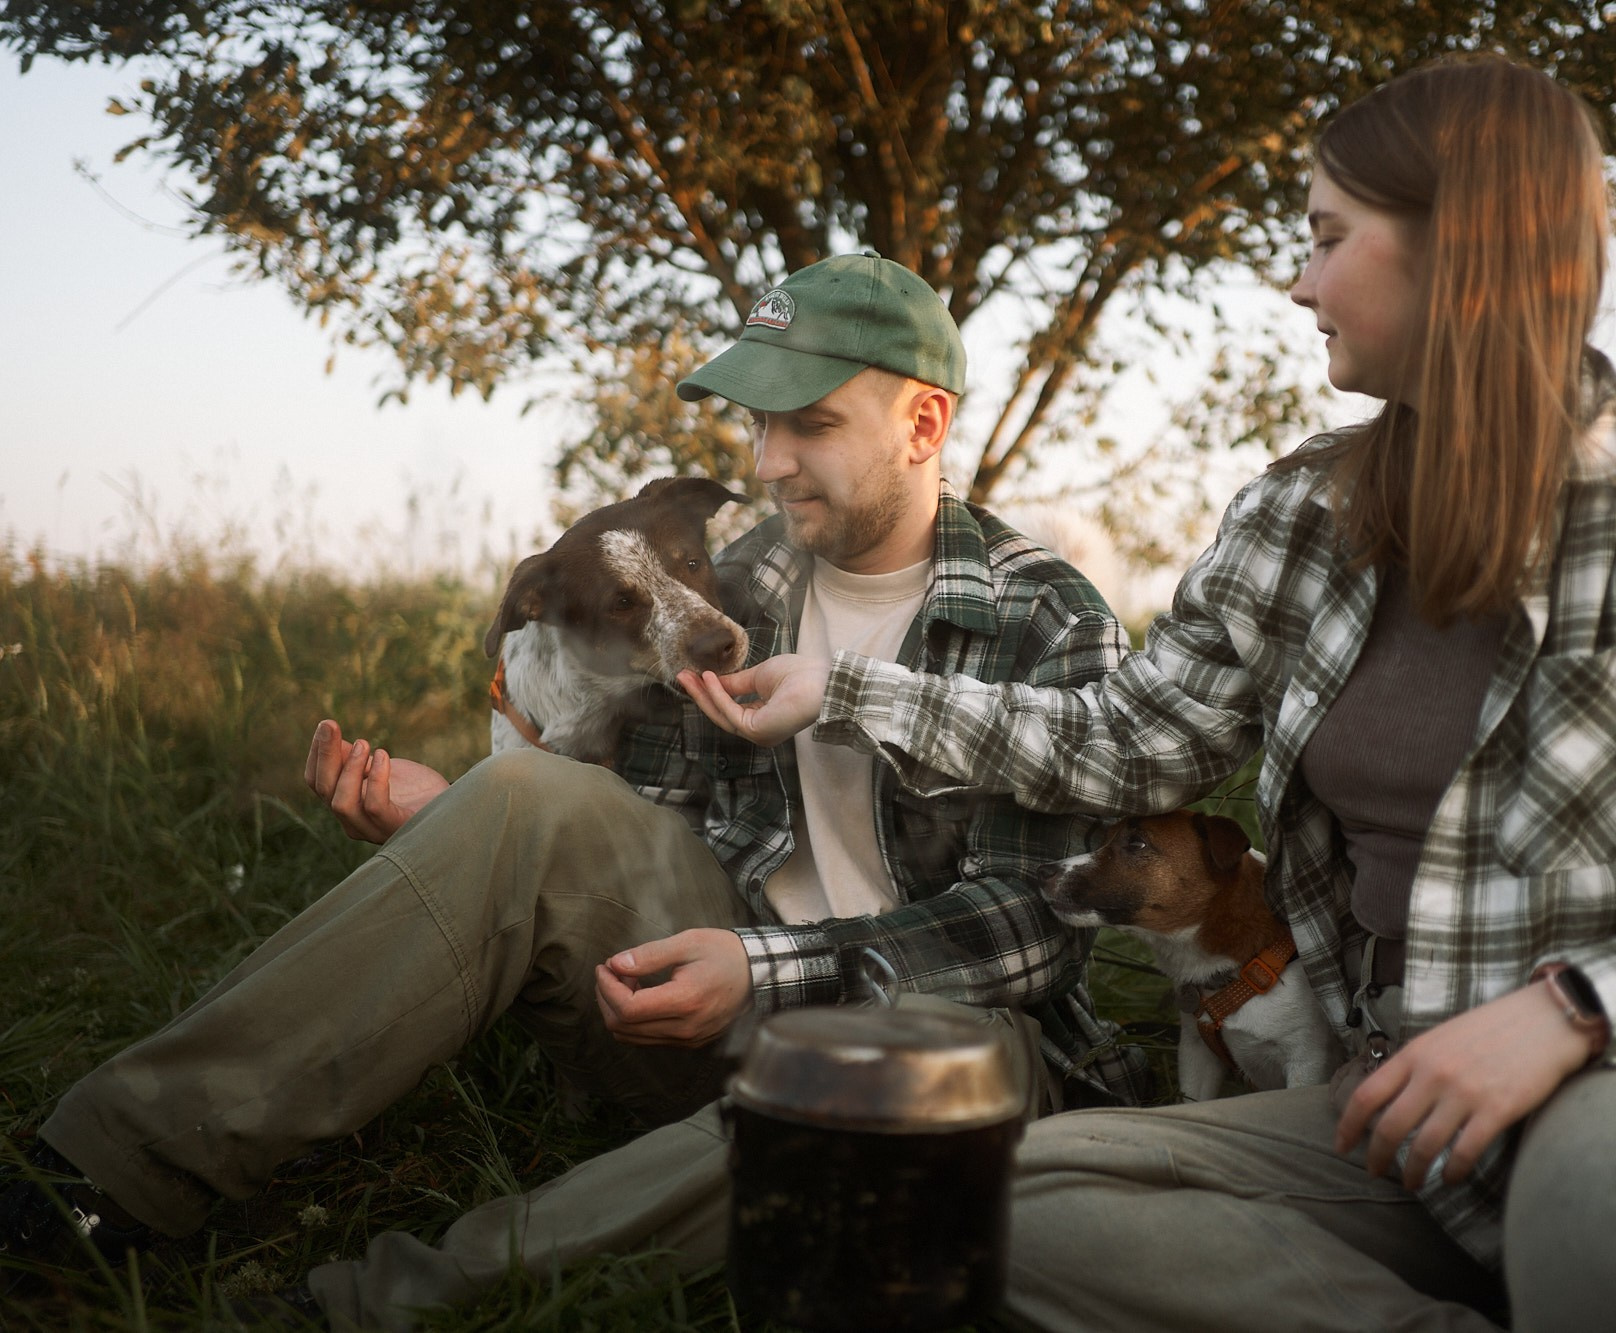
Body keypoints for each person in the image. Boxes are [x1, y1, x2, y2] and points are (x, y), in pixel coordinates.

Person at [684, 60, 1616, 1331]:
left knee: (1600, 1209)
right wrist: (846, 690)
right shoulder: (1300, 513)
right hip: (1401, 1104)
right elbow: (1132, 740)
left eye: (1326, 235)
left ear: (1459, 246)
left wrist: (1567, 1008)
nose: (1294, 276)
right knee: (1006, 1203)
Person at [0, 253, 1148, 1326]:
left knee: (894, 1068)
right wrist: (453, 822)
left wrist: (768, 963)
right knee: (522, 798)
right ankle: (94, 1176)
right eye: (757, 424)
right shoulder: (726, 587)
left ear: (923, 422)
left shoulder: (1043, 613)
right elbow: (618, 805)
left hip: (962, 1050)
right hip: (714, 1001)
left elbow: (1040, 926)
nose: (764, 462)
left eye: (810, 425)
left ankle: (376, 1299)